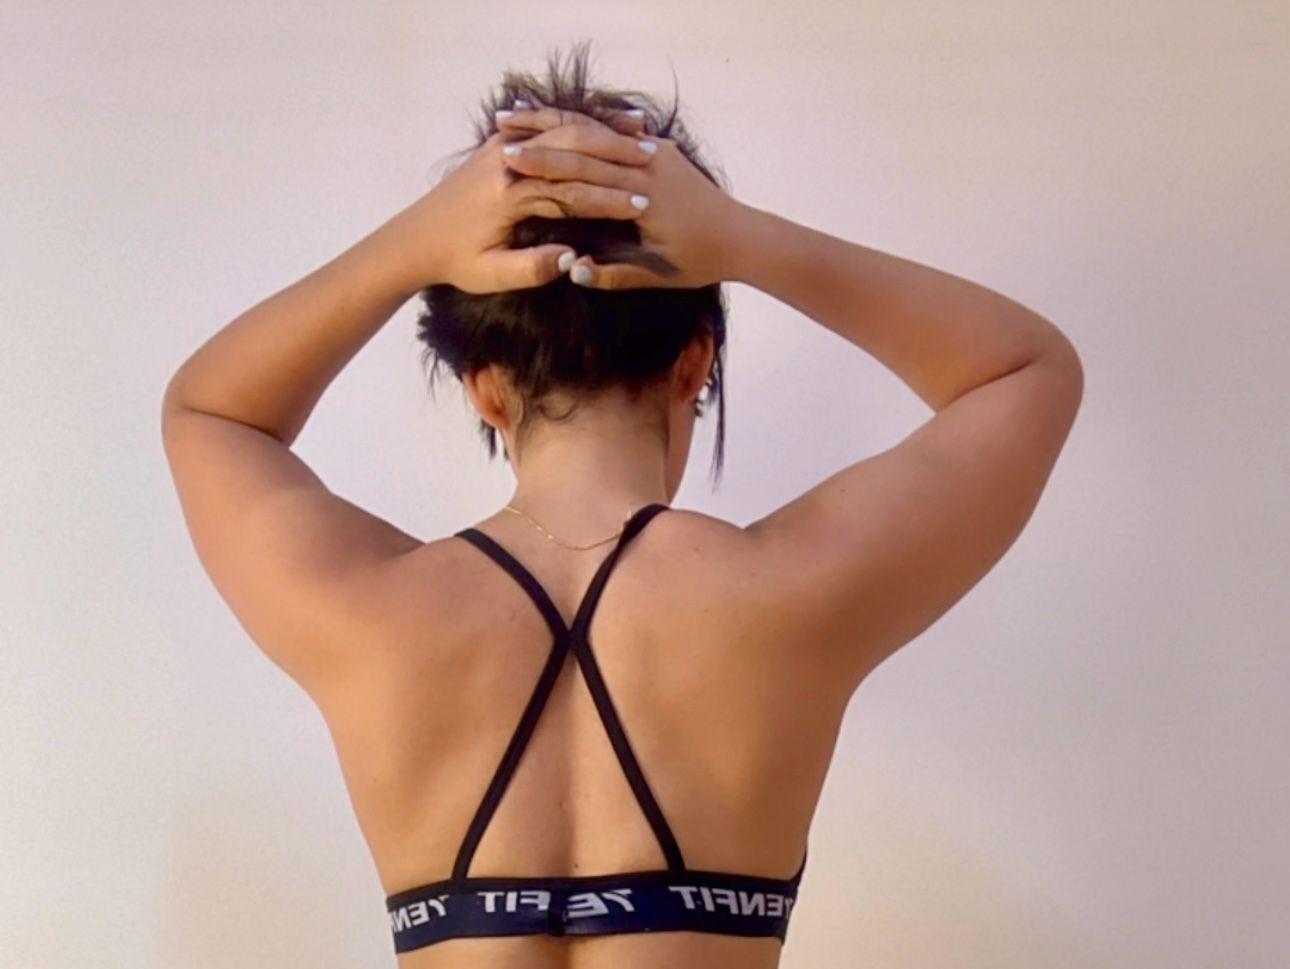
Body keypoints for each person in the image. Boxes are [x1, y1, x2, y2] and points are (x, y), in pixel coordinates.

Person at [161, 42, 1082, 969]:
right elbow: (1024, 370)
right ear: (696, 362)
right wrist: (743, 239)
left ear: (484, 388)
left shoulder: (367, 612)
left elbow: (208, 411)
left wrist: (413, 245)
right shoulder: (794, 590)